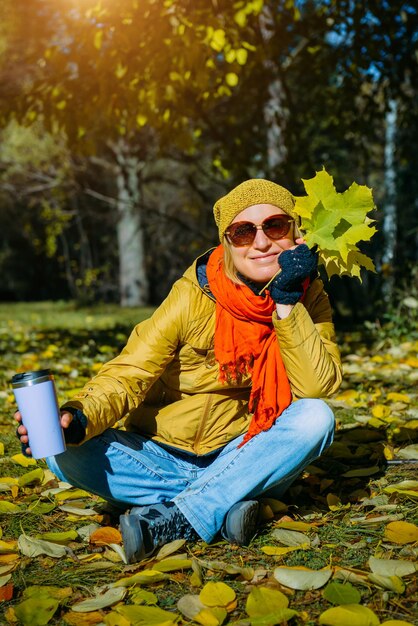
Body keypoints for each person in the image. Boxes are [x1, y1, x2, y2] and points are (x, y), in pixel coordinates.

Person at [15, 178, 342, 563]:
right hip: (161, 456)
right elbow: (129, 373)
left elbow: (317, 386)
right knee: (59, 450)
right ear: (226, 241)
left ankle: (185, 514)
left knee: (316, 419)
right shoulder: (191, 295)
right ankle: (226, 502)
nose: (261, 242)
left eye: (275, 225)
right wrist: (78, 418)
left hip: (241, 451)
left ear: (294, 232)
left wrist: (287, 304)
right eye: (242, 231)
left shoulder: (308, 294)